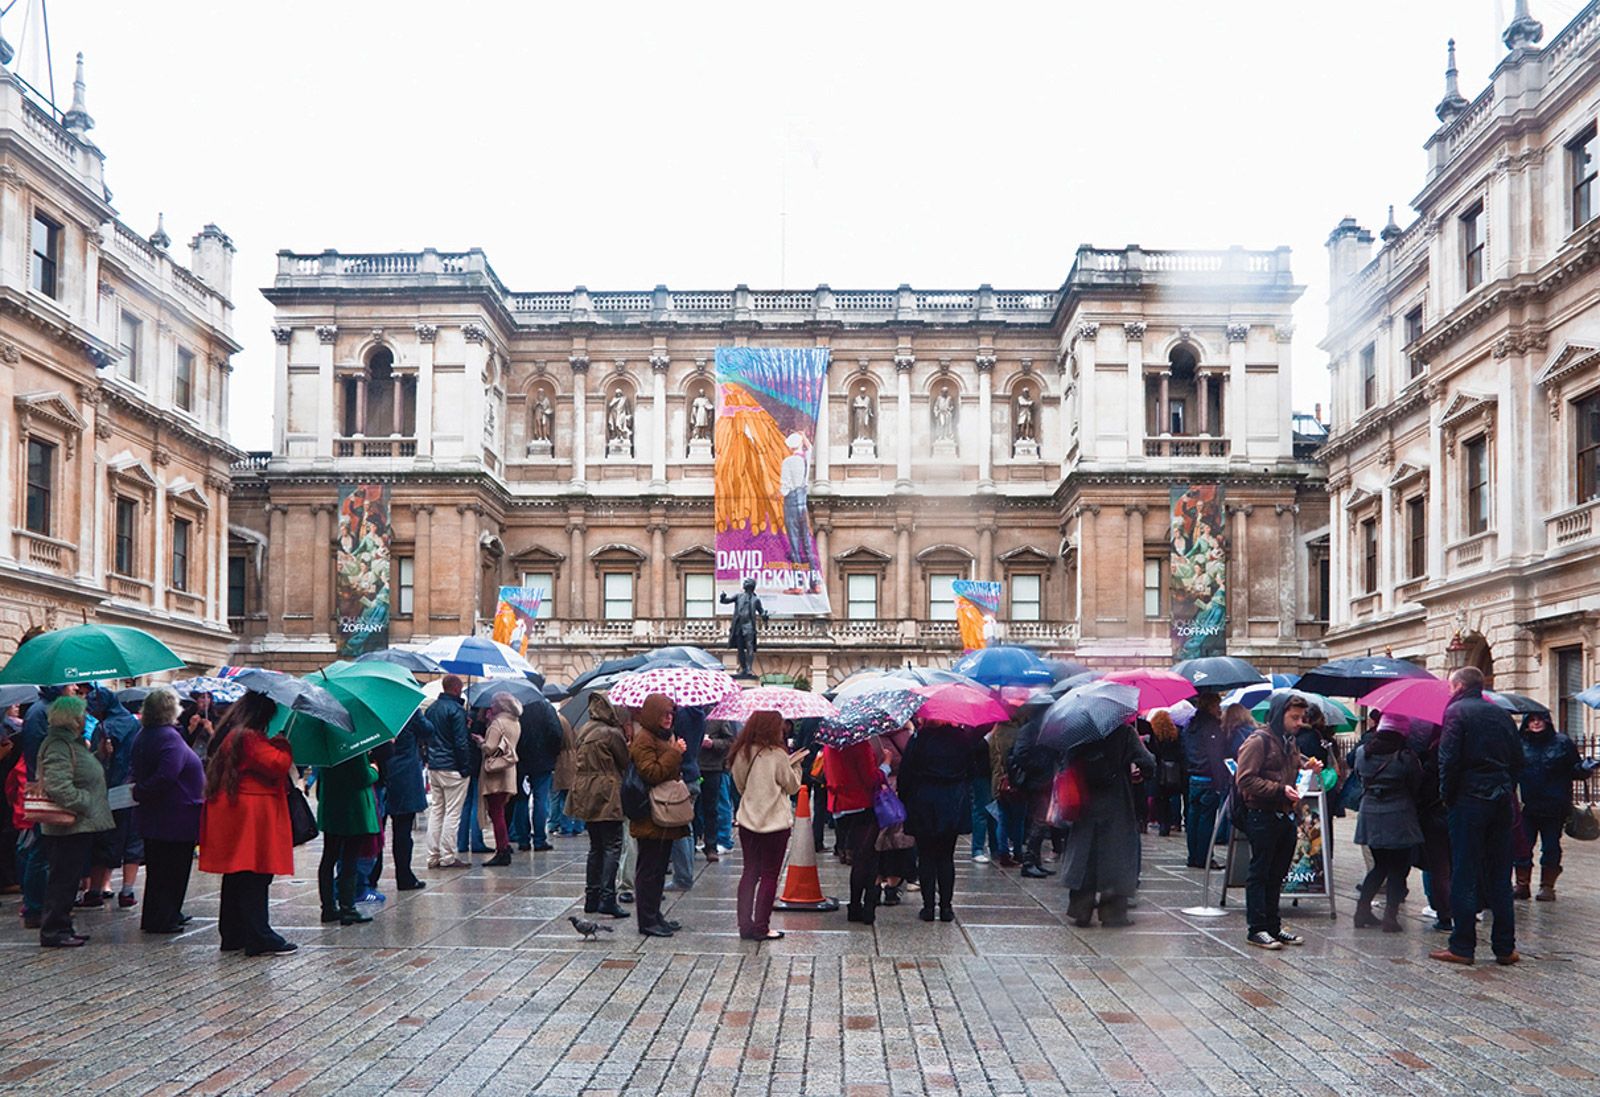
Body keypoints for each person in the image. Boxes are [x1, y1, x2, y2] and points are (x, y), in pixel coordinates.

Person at [1432, 667, 1524, 967]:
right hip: (1500, 797)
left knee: (1465, 872)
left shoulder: (1456, 712)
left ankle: (1462, 945)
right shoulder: (1500, 714)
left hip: (1469, 798)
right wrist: (1506, 787)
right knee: (1500, 874)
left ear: (1458, 685)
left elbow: (1448, 759)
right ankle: (1505, 947)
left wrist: (1448, 795)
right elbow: (1517, 759)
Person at [198, 693, 297, 956]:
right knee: (256, 874)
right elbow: (277, 764)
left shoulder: (232, 733)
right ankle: (259, 936)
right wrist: (283, 744)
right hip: (252, 813)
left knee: (237, 874)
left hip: (237, 811)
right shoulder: (250, 737)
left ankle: (232, 934)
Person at [1233, 692, 1313, 950]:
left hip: (1284, 815)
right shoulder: (1258, 741)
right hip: (1261, 814)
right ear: (1280, 715)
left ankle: (1273, 927)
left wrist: (1305, 764)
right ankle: (1256, 929)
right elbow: (1244, 779)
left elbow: (1288, 764)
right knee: (1260, 872)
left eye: (1302, 717)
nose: (1300, 722)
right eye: (1295, 717)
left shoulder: (1289, 741)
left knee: (1277, 873)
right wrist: (1279, 789)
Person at [35, 695, 114, 947]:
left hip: (77, 826)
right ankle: (53, 931)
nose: (85, 719)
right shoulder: (59, 744)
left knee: (68, 879)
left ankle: (63, 926)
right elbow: (58, 785)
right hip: (67, 825)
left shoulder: (73, 743)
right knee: (63, 879)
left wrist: (99, 755)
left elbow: (80, 771)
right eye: (82, 715)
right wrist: (85, 801)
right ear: (72, 719)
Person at [1060, 721, 1155, 928]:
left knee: (1085, 855)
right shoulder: (1124, 732)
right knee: (1116, 858)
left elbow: (1066, 760)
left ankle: (1080, 909)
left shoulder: (1079, 731)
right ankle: (1113, 914)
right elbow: (1148, 764)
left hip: (1085, 803)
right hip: (1116, 803)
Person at [130, 686, 203, 934]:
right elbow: (167, 774)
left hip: (161, 815)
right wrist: (143, 791)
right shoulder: (167, 737)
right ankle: (164, 917)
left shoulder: (147, 734)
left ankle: (164, 913)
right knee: (173, 869)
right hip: (174, 815)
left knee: (160, 869)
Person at [899, 723, 986, 923]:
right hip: (952, 801)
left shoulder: (919, 739)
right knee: (946, 856)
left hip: (924, 800)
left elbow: (906, 773)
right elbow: (972, 771)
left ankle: (928, 907)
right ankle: (946, 908)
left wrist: (906, 798)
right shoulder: (961, 738)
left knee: (926, 855)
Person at [728, 710, 803, 940]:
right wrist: (797, 766)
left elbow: (739, 786)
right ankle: (762, 926)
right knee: (770, 875)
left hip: (749, 821)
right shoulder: (777, 755)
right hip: (776, 824)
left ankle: (745, 925)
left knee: (750, 872)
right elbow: (792, 787)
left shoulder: (742, 753)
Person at [1351, 714, 1423, 932]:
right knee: (1399, 868)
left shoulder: (1363, 753)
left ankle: (1361, 911)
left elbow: (1357, 777)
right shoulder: (1405, 756)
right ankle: (1390, 917)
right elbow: (1416, 784)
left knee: (1379, 865)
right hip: (1399, 814)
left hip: (1370, 812)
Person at [1513, 710, 1594, 902]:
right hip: (1527, 805)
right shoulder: (1519, 744)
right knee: (1522, 845)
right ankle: (1522, 884)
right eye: (1531, 720)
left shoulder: (1562, 743)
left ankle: (1547, 886)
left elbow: (1576, 769)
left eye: (1539, 719)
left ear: (1547, 722)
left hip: (1554, 805)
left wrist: (1585, 768)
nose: (1536, 723)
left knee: (1551, 846)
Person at [630, 694, 688, 937]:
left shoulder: (663, 736)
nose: (669, 718)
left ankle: (655, 914)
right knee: (649, 869)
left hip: (664, 811)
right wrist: (674, 753)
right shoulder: (644, 739)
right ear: (653, 714)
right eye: (664, 714)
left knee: (660, 866)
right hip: (650, 813)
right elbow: (651, 772)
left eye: (671, 713)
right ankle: (647, 920)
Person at [570, 693, 630, 918]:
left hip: (585, 791)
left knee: (595, 846)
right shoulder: (611, 733)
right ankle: (607, 897)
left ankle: (591, 897)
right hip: (607, 792)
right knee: (613, 844)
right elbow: (624, 761)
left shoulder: (584, 729)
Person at [84, 686, 143, 909]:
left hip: (108, 789)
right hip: (131, 787)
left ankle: (95, 890)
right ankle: (127, 891)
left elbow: (97, 762)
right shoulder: (134, 723)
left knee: (103, 840)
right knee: (132, 839)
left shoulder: (104, 727)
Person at [316, 753, 380, 925]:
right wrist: (374, 770)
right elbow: (362, 777)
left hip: (331, 807)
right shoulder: (353, 746)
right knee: (350, 858)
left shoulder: (326, 746)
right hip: (352, 809)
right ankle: (348, 908)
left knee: (328, 857)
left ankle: (328, 907)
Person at [824, 737, 882, 924]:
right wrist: (886, 766)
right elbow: (870, 778)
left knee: (857, 857)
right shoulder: (860, 745)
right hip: (860, 804)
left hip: (839, 806)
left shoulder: (830, 744)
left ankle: (855, 906)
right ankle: (865, 907)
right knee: (866, 858)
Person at [1407, 719, 1451, 932]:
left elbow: (1422, 788)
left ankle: (1444, 915)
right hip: (1460, 811)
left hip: (1435, 814)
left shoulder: (1431, 752)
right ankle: (1466, 911)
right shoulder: (1466, 747)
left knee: (1439, 868)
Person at [424, 676, 473, 869]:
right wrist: (465, 767)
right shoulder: (456, 710)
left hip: (435, 766)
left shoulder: (431, 709)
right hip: (452, 767)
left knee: (437, 811)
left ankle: (432, 856)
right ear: (456, 689)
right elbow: (460, 742)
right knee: (452, 813)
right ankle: (448, 856)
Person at [1006, 709, 1058, 878]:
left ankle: (1035, 861)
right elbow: (1020, 754)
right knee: (1039, 822)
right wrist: (1041, 763)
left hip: (1044, 780)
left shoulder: (1044, 729)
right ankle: (1029, 862)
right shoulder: (1030, 729)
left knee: (1042, 822)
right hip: (1036, 782)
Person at [1183, 693, 1231, 868]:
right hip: (1208, 778)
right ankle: (1204, 857)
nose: (1219, 709)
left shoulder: (1190, 725)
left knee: (1193, 819)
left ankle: (1193, 856)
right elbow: (1215, 755)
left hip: (1193, 777)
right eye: (1217, 706)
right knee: (1206, 821)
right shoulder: (1212, 727)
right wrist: (1220, 782)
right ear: (1210, 706)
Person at [477, 692, 522, 867]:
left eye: (494, 704)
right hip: (509, 771)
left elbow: (490, 748)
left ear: (500, 706)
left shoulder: (498, 723)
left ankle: (502, 849)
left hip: (495, 773)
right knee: (500, 810)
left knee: (496, 813)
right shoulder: (515, 722)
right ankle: (503, 848)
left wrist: (481, 741)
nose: (491, 706)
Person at [385, 710, 428, 891]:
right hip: (405, 775)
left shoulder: (377, 709)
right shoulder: (408, 710)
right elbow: (428, 730)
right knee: (402, 831)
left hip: (383, 771)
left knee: (376, 831)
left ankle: (370, 878)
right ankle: (404, 876)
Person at [515, 694, 563, 853]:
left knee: (521, 801)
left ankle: (523, 839)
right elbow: (556, 733)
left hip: (521, 761)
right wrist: (552, 753)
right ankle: (539, 839)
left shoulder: (517, 707)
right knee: (541, 800)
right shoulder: (545, 707)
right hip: (542, 762)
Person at [988, 716, 1026, 867]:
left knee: (1002, 819)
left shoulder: (994, 734)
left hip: (998, 781)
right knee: (1018, 820)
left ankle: (1002, 852)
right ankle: (1017, 852)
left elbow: (991, 759)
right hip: (1014, 782)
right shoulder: (1018, 733)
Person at [697, 719, 735, 862]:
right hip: (693, 766)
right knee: (693, 810)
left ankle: (712, 845)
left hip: (712, 768)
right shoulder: (685, 714)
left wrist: (713, 743)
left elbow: (729, 742)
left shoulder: (717, 718)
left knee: (712, 808)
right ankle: (695, 841)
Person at [1148, 709, 1185, 838]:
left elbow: (1152, 752)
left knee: (1160, 799)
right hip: (1173, 770)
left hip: (1159, 771)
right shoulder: (1176, 734)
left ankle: (1163, 824)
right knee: (1173, 798)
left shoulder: (1154, 735)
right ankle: (1174, 821)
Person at [548, 711, 584, 838]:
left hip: (563, 761)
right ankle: (578, 826)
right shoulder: (577, 721)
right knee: (576, 796)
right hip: (576, 758)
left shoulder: (560, 721)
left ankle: (566, 826)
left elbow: (556, 741)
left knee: (564, 796)